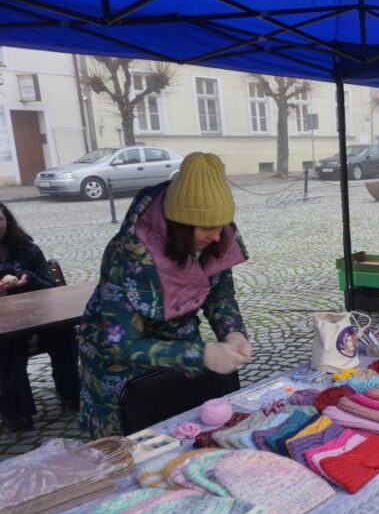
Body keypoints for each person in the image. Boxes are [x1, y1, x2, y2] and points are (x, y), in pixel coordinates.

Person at [78, 152, 252, 437]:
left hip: (181, 351)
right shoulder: (128, 254)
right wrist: (201, 356)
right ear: (180, 224)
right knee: (133, 452)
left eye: (222, 224)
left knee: (188, 433)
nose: (218, 236)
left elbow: (220, 297)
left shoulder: (216, 234)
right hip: (120, 371)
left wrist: (233, 333)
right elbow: (120, 343)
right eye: (208, 228)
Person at [0, 202, 80, 432]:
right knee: (9, 342)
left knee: (62, 331)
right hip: (6, 329)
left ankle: (71, 392)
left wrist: (31, 279)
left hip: (37, 319)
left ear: (7, 220)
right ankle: (16, 411)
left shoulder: (26, 250)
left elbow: (52, 288)